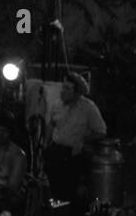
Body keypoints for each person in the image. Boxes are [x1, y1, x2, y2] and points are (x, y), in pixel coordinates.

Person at [45, 72, 106, 207]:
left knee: (69, 192)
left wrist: (83, 140)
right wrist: (45, 144)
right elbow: (52, 124)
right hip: (56, 151)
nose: (63, 91)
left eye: (68, 88)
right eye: (63, 87)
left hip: (74, 155)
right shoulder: (57, 105)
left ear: (77, 92)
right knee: (54, 189)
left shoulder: (88, 108)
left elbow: (101, 131)